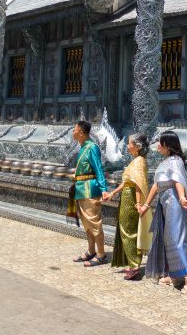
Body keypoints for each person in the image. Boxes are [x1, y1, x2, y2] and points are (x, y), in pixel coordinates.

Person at [139, 131, 187, 294]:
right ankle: (175, 274)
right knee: (168, 239)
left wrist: (181, 198)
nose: (157, 147)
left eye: (160, 143)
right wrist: (146, 205)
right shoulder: (165, 162)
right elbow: (156, 185)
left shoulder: (175, 161)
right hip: (165, 203)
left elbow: (177, 180)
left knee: (176, 238)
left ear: (167, 145)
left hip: (174, 202)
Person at [104, 133, 151, 280]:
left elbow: (138, 185)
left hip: (131, 199)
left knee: (129, 230)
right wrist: (112, 193)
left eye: (130, 143)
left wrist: (138, 203)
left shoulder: (139, 161)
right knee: (126, 228)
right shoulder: (136, 161)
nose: (127, 145)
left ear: (137, 146)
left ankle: (135, 265)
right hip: (127, 196)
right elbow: (126, 182)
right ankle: (132, 262)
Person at [67, 120, 109, 267]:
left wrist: (104, 189)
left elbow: (98, 169)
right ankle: (91, 250)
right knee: (87, 223)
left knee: (94, 222)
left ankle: (101, 254)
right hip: (81, 189)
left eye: (74, 130)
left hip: (90, 190)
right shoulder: (83, 147)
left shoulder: (92, 147)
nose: (72, 132)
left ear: (81, 132)